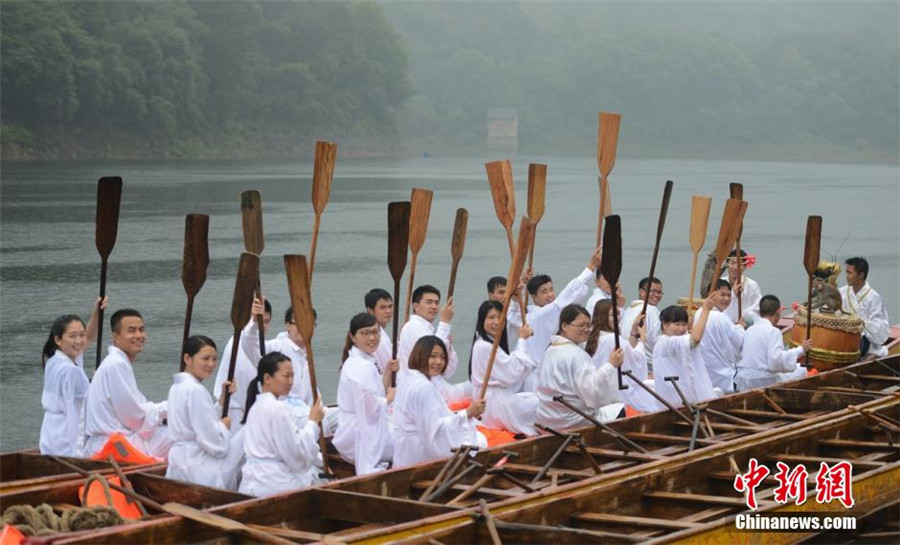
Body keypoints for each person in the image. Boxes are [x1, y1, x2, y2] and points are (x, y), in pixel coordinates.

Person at [84, 309, 172, 459]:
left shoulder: (118, 362)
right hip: (116, 447)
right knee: (183, 433)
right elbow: (135, 418)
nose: (139, 336)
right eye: (131, 331)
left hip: (116, 440)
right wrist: (169, 408)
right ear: (116, 337)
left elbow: (137, 410)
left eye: (141, 330)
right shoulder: (116, 364)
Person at [392, 336, 486, 468]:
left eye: (442, 357)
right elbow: (436, 431)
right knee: (481, 441)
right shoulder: (424, 388)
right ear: (421, 355)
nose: (438, 362)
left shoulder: (407, 378)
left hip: (403, 452)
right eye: (433, 356)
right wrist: (467, 413)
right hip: (418, 454)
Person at [239, 352, 324, 497]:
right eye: (286, 376)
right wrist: (313, 422)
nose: (291, 382)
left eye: (292, 376)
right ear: (267, 378)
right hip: (273, 483)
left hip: (251, 481)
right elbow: (297, 454)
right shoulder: (277, 408)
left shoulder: (256, 407)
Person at [166, 336, 245, 491]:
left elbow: (199, 422)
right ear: (188, 359)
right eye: (205, 358)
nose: (211, 364)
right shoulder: (195, 390)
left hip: (180, 460)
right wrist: (223, 426)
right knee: (248, 432)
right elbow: (214, 443)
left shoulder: (177, 387)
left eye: (214, 359)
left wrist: (222, 400)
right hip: (197, 465)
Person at [536, 304, 625, 429]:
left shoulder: (549, 350)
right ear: (564, 326)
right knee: (620, 408)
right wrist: (611, 365)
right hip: (574, 421)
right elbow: (593, 394)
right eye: (581, 325)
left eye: (588, 325)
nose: (586, 329)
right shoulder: (575, 354)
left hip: (548, 418)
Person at [515, 248, 601, 371]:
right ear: (534, 298)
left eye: (551, 289)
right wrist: (590, 267)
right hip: (539, 373)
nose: (550, 295)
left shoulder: (527, 315)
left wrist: (523, 283)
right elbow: (564, 300)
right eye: (544, 292)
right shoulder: (539, 315)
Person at [39, 297, 106, 456]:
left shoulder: (54, 361)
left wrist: (96, 314)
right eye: (73, 336)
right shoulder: (71, 371)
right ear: (58, 340)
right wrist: (97, 381)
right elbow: (79, 415)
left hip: (49, 438)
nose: (79, 341)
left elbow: (88, 339)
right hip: (66, 442)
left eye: (80, 335)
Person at [332, 313, 396, 475]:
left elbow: (371, 397)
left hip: (352, 430)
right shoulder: (362, 367)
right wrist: (389, 398)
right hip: (360, 437)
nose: (372, 338)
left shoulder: (358, 360)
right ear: (353, 337)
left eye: (375, 332)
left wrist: (387, 372)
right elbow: (371, 410)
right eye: (366, 333)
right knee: (411, 439)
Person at [469, 300, 538, 436]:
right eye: (491, 317)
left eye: (500, 317)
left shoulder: (485, 342)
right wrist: (522, 340)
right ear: (482, 320)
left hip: (493, 399)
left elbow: (508, 366)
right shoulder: (485, 346)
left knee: (531, 397)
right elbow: (514, 371)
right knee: (537, 404)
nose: (496, 322)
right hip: (495, 404)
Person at [585, 300, 660, 414]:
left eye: (618, 313)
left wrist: (634, 329)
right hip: (615, 395)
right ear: (602, 317)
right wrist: (643, 339)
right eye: (612, 315)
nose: (617, 317)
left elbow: (628, 351)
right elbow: (635, 358)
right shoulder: (612, 339)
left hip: (600, 392)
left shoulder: (594, 337)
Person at [397, 285, 468, 403]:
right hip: (416, 393)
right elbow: (429, 356)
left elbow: (447, 370)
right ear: (415, 306)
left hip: (431, 390)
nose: (434, 306)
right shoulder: (412, 327)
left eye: (436, 303)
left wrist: (448, 346)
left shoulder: (430, 330)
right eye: (429, 302)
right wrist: (444, 322)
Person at [214, 299, 272, 435]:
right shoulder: (241, 339)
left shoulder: (258, 344)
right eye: (260, 320)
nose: (264, 326)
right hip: (233, 407)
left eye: (267, 321)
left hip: (247, 409)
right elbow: (249, 338)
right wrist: (254, 321)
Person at [734, 295, 811, 392]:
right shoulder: (773, 331)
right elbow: (775, 361)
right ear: (778, 312)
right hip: (762, 381)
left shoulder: (749, 330)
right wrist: (801, 349)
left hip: (743, 381)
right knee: (802, 370)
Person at [652, 299, 720, 407]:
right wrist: (705, 310)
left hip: (681, 401)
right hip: (674, 403)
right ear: (664, 325)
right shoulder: (665, 342)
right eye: (677, 324)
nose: (681, 329)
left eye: (684, 325)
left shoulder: (671, 341)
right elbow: (695, 339)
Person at [695, 280, 745, 394]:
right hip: (723, 375)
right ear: (711, 295)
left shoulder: (699, 313)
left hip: (705, 373)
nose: (726, 299)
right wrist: (741, 328)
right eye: (722, 295)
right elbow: (739, 342)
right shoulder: (721, 317)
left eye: (728, 295)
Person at [840, 257, 890, 357]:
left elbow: (880, 327)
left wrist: (861, 322)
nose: (846, 276)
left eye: (849, 273)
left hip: (865, 341)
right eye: (846, 272)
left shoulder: (873, 297)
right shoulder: (842, 292)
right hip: (842, 336)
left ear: (861, 275)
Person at [621, 277, 664, 368]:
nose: (657, 295)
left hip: (628, 360)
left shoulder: (629, 309)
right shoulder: (651, 310)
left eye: (659, 292)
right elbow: (654, 340)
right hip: (646, 363)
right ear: (641, 292)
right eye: (653, 291)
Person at [721, 249, 762, 324]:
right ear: (727, 264)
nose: (736, 267)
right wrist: (733, 294)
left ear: (745, 266)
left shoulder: (752, 285)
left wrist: (743, 318)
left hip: (745, 324)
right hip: (724, 324)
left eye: (740, 264)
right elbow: (716, 306)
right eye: (732, 263)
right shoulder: (720, 283)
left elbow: (757, 309)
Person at [364, 288, 396, 384]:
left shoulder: (379, 332)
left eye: (390, 306)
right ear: (370, 310)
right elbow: (390, 364)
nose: (388, 311)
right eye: (383, 308)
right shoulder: (377, 337)